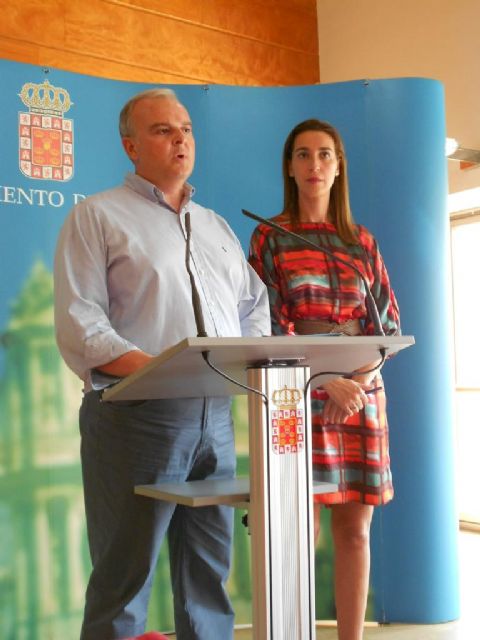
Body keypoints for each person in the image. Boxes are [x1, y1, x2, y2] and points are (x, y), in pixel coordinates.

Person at [54, 87, 270, 640]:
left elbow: (254, 306)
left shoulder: (216, 226)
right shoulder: (97, 216)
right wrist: (161, 369)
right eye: (163, 130)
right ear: (131, 146)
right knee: (125, 578)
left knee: (209, 576)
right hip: (135, 415)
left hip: (215, 417)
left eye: (186, 129)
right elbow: (82, 322)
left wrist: (243, 360)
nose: (181, 139)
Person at [248, 119, 400, 640]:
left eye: (325, 154)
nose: (314, 165)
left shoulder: (362, 241)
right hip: (298, 395)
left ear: (339, 168)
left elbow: (388, 326)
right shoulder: (269, 236)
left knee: (355, 532)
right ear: (289, 167)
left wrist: (357, 380)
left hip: (362, 395)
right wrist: (323, 379)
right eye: (303, 154)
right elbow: (267, 324)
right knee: (300, 531)